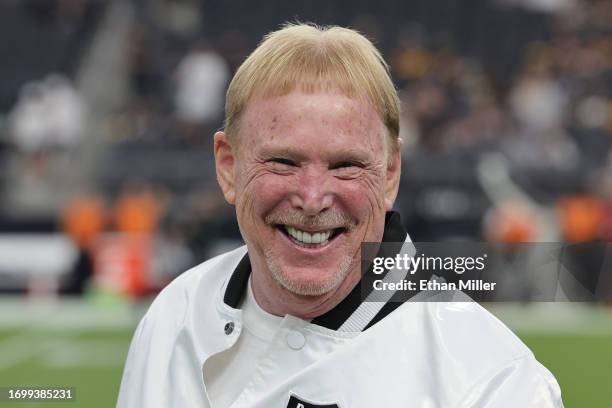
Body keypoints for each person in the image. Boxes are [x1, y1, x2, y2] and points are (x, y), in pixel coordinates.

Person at [117, 23, 563, 408]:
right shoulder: (174, 314)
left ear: (390, 175)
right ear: (228, 166)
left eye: (346, 165)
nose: (312, 198)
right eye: (284, 162)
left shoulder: (493, 383)